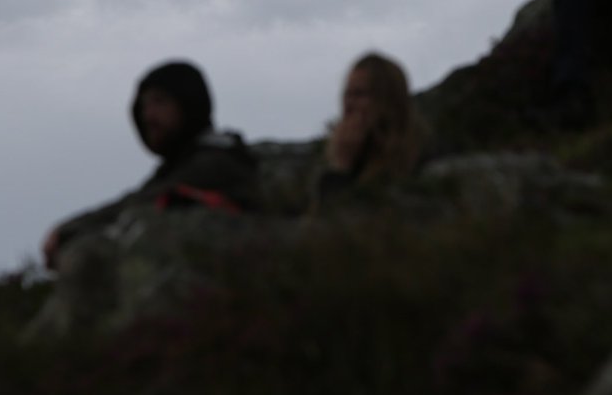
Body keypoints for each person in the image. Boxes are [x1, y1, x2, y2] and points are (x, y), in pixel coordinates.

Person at [41, 60, 259, 270]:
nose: (148, 116)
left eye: (159, 102)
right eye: (144, 106)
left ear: (188, 103)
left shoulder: (216, 162)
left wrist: (68, 232)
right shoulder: (180, 165)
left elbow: (145, 203)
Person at [313, 52, 427, 207]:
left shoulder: (420, 162)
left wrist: (341, 170)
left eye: (359, 95)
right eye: (347, 95)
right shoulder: (348, 158)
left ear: (386, 100)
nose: (349, 105)